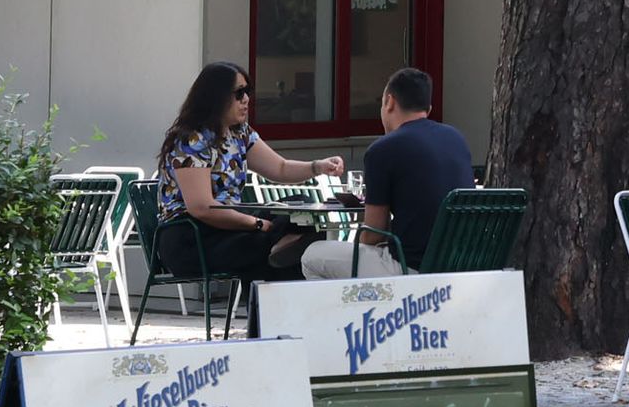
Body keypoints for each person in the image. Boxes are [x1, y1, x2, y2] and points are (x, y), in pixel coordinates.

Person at [155, 62, 356, 283]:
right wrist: (257, 224)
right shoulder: (192, 140)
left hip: (231, 228)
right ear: (216, 96)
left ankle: (280, 250)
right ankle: (279, 253)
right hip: (192, 236)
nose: (246, 100)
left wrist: (318, 166)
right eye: (239, 93)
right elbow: (202, 208)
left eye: (248, 92)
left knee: (302, 207)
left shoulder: (239, 133)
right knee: (271, 246)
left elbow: (280, 168)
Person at [356, 67, 476, 271]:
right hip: (460, 264)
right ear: (428, 109)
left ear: (390, 102)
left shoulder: (382, 149)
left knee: (313, 256)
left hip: (410, 266)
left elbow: (374, 233)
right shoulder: (456, 138)